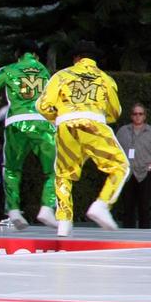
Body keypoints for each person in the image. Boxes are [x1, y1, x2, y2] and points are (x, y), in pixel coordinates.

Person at [36, 41, 125, 235]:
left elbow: (42, 106)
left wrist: (58, 118)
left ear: (76, 58)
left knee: (63, 175)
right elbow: (115, 112)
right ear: (94, 59)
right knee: (120, 167)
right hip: (94, 125)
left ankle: (64, 222)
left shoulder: (61, 75)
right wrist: (100, 118)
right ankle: (102, 205)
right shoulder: (105, 78)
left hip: (66, 125)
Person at [0, 45, 58, 229]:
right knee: (54, 169)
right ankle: (47, 207)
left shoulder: (9, 70)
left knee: (12, 169)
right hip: (42, 123)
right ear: (36, 55)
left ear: (17, 55)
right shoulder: (47, 72)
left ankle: (13, 210)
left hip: (16, 122)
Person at [115, 103, 151, 229]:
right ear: (131, 116)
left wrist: (150, 167)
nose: (138, 116)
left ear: (144, 116)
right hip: (127, 174)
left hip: (144, 174)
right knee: (127, 207)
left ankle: (145, 236)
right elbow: (114, 151)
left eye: (140, 114)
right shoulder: (122, 131)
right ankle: (127, 236)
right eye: (135, 114)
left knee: (144, 208)